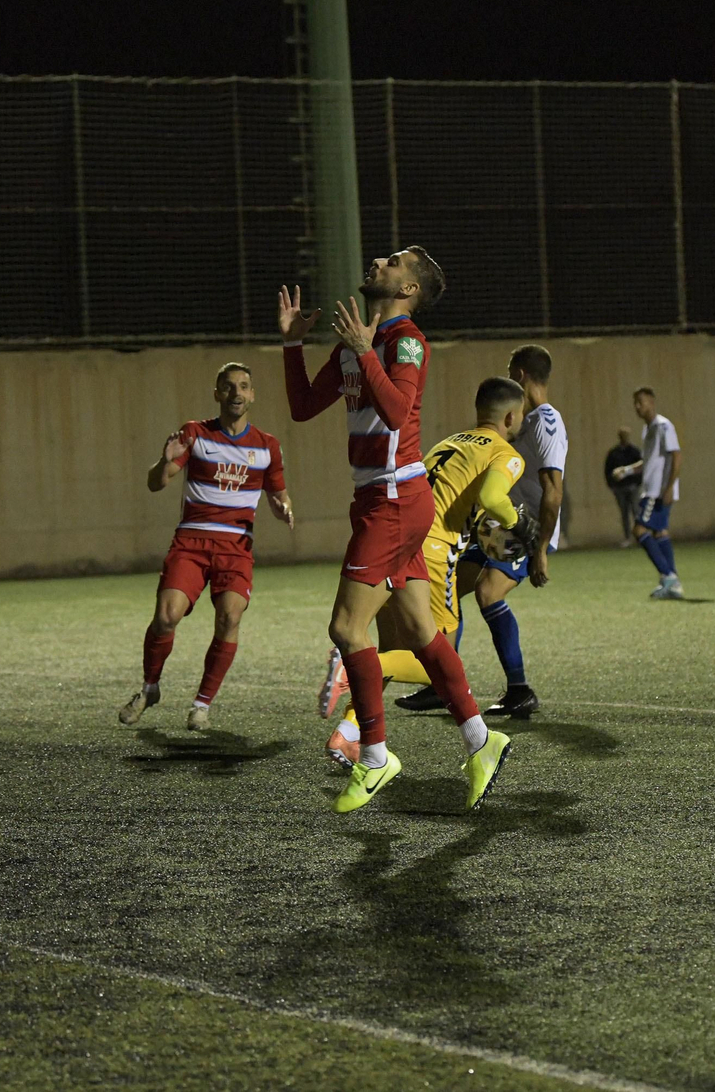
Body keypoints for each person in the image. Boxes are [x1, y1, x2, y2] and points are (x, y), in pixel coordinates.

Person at [279, 249, 511, 814]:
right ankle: (483, 740)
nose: (379, 260)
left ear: (407, 288)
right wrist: (291, 344)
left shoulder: (406, 340)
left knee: (346, 627)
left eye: (394, 260)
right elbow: (305, 405)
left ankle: (376, 754)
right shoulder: (359, 340)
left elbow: (396, 408)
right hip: (380, 498)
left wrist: (365, 352)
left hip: (393, 500)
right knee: (421, 632)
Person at [325, 377, 537, 766]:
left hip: (400, 538)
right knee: (437, 658)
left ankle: (349, 732)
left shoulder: (451, 442)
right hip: (433, 553)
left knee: (391, 644)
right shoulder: (507, 452)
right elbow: (492, 498)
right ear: (510, 416)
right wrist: (517, 520)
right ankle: (347, 667)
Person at [120, 363, 292, 731]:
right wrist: (164, 462)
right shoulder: (195, 433)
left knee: (230, 617)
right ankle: (150, 687)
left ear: (253, 395)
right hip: (192, 541)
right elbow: (157, 482)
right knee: (167, 616)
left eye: (244, 387)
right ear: (217, 394)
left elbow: (279, 495)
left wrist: (283, 508)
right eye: (229, 387)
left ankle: (201, 705)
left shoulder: (267, 446)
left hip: (236, 547)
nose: (237, 394)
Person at [440, 344, 567, 719]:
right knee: (449, 588)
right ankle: (440, 683)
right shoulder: (521, 420)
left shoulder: (546, 421)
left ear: (521, 374)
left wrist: (540, 547)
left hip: (522, 530)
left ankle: (519, 689)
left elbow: (553, 490)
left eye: (511, 371)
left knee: (487, 593)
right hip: (496, 525)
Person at [612, 387, 683, 598]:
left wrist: (669, 487)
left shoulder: (663, 426)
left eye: (640, 402)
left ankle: (668, 575)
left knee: (639, 531)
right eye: (635, 403)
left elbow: (677, 456)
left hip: (657, 491)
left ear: (651, 402)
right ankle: (672, 583)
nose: (637, 407)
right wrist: (626, 471)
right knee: (660, 532)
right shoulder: (648, 429)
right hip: (654, 489)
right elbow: (650, 463)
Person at [604, 428, 643, 546]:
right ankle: (627, 537)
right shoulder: (614, 453)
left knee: (636, 511)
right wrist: (612, 485)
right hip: (619, 488)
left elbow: (641, 468)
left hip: (633, 487)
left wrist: (637, 483)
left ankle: (640, 536)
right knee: (624, 513)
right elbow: (608, 470)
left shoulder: (634, 451)